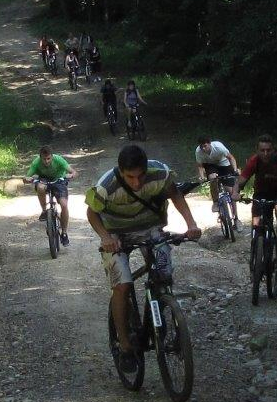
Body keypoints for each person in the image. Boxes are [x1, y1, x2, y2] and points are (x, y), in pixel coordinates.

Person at [85, 145, 201, 374]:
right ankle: (125, 346)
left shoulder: (160, 173)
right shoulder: (106, 185)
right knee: (122, 286)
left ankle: (161, 311)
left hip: (150, 228)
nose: (137, 183)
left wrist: (191, 224)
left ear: (147, 168)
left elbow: (175, 195)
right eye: (130, 177)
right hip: (116, 234)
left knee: (163, 274)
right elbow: (92, 212)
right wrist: (105, 237)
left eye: (141, 176)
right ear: (121, 171)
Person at [233, 135, 277, 266]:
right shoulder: (254, 160)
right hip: (262, 192)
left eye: (268, 150)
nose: (265, 153)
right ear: (257, 150)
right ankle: (256, 248)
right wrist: (235, 193)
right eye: (262, 150)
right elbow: (240, 181)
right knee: (256, 220)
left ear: (273, 149)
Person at [26, 145, 76, 246]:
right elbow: (27, 177)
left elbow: (73, 172)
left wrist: (71, 175)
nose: (46, 161)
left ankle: (64, 233)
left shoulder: (59, 160)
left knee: (64, 205)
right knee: (40, 187)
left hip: (59, 180)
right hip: (44, 180)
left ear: (52, 156)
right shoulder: (36, 162)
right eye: (44, 159)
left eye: (48, 158)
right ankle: (44, 211)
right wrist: (27, 179)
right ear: (40, 157)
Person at [195, 137, 239, 213]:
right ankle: (215, 202)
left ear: (210, 143)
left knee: (230, 191)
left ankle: (236, 216)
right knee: (212, 178)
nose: (204, 149)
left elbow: (231, 158)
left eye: (205, 146)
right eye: (201, 147)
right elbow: (200, 165)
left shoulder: (219, 147)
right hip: (210, 165)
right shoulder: (198, 151)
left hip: (223, 163)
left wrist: (235, 170)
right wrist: (202, 176)